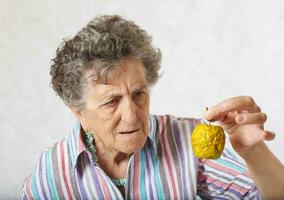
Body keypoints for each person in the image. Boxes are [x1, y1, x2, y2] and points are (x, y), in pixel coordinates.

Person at [20, 15, 284, 199]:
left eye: (139, 94)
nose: (133, 115)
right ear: (80, 113)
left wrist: (253, 151)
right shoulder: (52, 170)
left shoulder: (185, 140)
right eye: (112, 101)